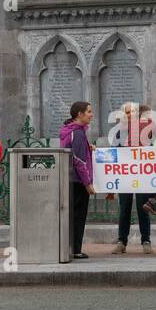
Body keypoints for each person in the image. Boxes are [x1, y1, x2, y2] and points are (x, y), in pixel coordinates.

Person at [110, 102, 153, 254]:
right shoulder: (118, 132)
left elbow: (152, 149)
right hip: (124, 175)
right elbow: (113, 153)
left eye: (133, 112)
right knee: (124, 208)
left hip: (141, 174)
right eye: (127, 113)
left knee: (143, 208)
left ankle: (146, 241)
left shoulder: (146, 130)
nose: (130, 115)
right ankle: (122, 241)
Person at [60, 101, 95, 260]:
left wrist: (89, 147)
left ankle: (70, 247)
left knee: (71, 215)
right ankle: (75, 250)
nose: (91, 114)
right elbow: (79, 161)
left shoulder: (70, 131)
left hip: (69, 179)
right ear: (79, 114)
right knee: (78, 216)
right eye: (88, 111)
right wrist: (88, 183)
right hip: (78, 181)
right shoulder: (78, 133)